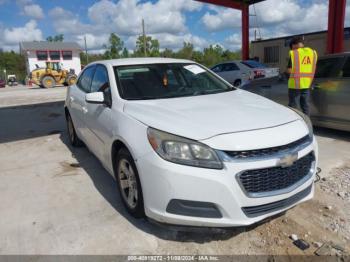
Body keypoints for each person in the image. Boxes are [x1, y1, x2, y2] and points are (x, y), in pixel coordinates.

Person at [287, 36, 317, 115]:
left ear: (294, 45)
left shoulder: (294, 53)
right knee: (305, 106)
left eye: (292, 47)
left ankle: (294, 125)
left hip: (294, 85)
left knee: (293, 108)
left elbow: (289, 70)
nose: (292, 49)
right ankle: (307, 123)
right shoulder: (313, 53)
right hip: (307, 84)